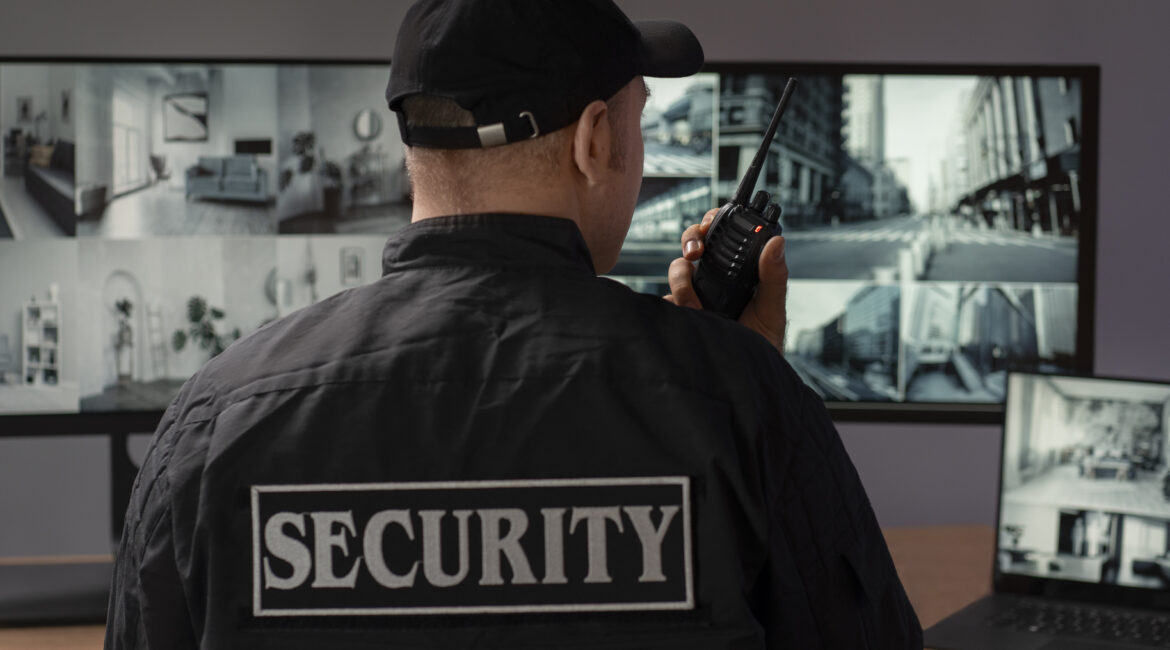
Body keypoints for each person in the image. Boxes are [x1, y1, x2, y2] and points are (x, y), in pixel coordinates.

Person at [106, 0, 921, 648]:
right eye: (636, 119)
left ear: (412, 148)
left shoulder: (213, 422)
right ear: (596, 141)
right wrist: (738, 379)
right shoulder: (741, 402)